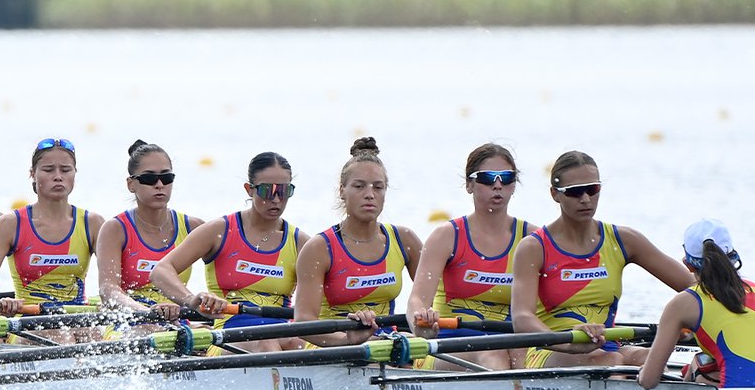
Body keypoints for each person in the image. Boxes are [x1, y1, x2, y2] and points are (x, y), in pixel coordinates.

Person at [511, 150, 693, 368]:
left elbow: (692, 285)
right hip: (551, 349)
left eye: (593, 189)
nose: (586, 199)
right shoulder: (534, 247)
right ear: (555, 194)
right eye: (575, 192)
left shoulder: (623, 240)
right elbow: (522, 317)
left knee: (655, 359)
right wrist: (567, 344)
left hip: (608, 346)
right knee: (610, 360)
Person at [150, 151, 308, 352]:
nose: (276, 199)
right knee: (268, 343)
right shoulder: (220, 231)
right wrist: (191, 300)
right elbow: (161, 270)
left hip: (283, 334)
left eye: (284, 191)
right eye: (268, 190)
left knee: (299, 344)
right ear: (249, 189)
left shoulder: (301, 242)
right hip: (228, 336)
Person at [407, 142, 536, 370]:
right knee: (495, 355)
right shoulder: (446, 237)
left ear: (513, 185)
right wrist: (420, 321)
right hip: (447, 345)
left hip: (511, 344)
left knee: (518, 353)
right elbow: (417, 300)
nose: (498, 185)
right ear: (469, 185)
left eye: (506, 178)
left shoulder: (532, 239)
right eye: (487, 178)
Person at [293, 137, 422, 346]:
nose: (370, 195)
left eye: (378, 187)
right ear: (342, 190)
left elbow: (432, 300)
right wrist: (347, 340)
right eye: (359, 186)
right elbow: (303, 323)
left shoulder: (405, 240)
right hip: (333, 344)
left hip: (388, 342)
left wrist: (425, 324)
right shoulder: (318, 249)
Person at [0, 138, 103, 321]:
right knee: (61, 337)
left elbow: (113, 285)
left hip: (78, 319)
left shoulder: (92, 224)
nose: (58, 176)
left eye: (65, 170)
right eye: (48, 170)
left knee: (88, 337)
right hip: (29, 321)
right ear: (32, 174)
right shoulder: (10, 224)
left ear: (74, 173)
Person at [639, 219, 755, 389]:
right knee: (701, 361)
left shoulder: (683, 304)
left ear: (688, 265)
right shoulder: (752, 288)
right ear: (734, 256)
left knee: (699, 364)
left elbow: (649, 382)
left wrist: (642, 373)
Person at [96, 139, 203, 322]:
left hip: (179, 321)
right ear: (131, 184)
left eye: (166, 177)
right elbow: (109, 290)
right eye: (149, 178)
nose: (159, 184)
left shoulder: (194, 227)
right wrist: (147, 311)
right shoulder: (115, 229)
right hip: (130, 321)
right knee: (150, 329)